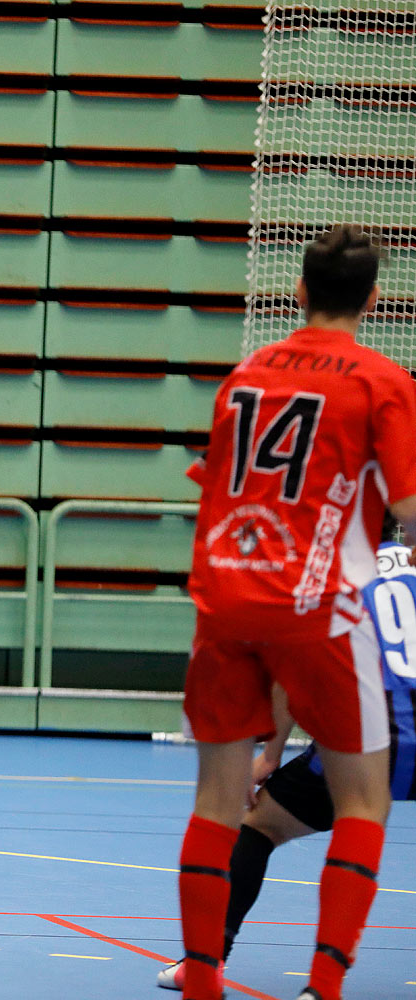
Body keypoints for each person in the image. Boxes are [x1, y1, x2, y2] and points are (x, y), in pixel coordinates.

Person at [175, 224, 416, 1000]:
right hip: (317, 606)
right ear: (375, 300)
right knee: (364, 799)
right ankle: (322, 985)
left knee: (218, 799)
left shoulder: (244, 374)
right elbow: (409, 509)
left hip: (223, 596)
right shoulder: (381, 381)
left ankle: (205, 978)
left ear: (300, 292)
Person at [158, 530, 416, 992]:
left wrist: (272, 754)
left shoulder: (335, 571)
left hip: (373, 735)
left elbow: (287, 669)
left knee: (260, 825)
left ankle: (207, 962)